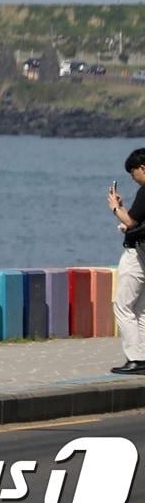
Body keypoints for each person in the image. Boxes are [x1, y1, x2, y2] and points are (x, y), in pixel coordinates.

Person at [108, 148, 145, 374]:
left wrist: (114, 207)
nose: (133, 178)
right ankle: (142, 357)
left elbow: (131, 222)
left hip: (137, 255)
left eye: (133, 173)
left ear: (143, 168)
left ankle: (135, 358)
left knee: (122, 306)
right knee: (141, 309)